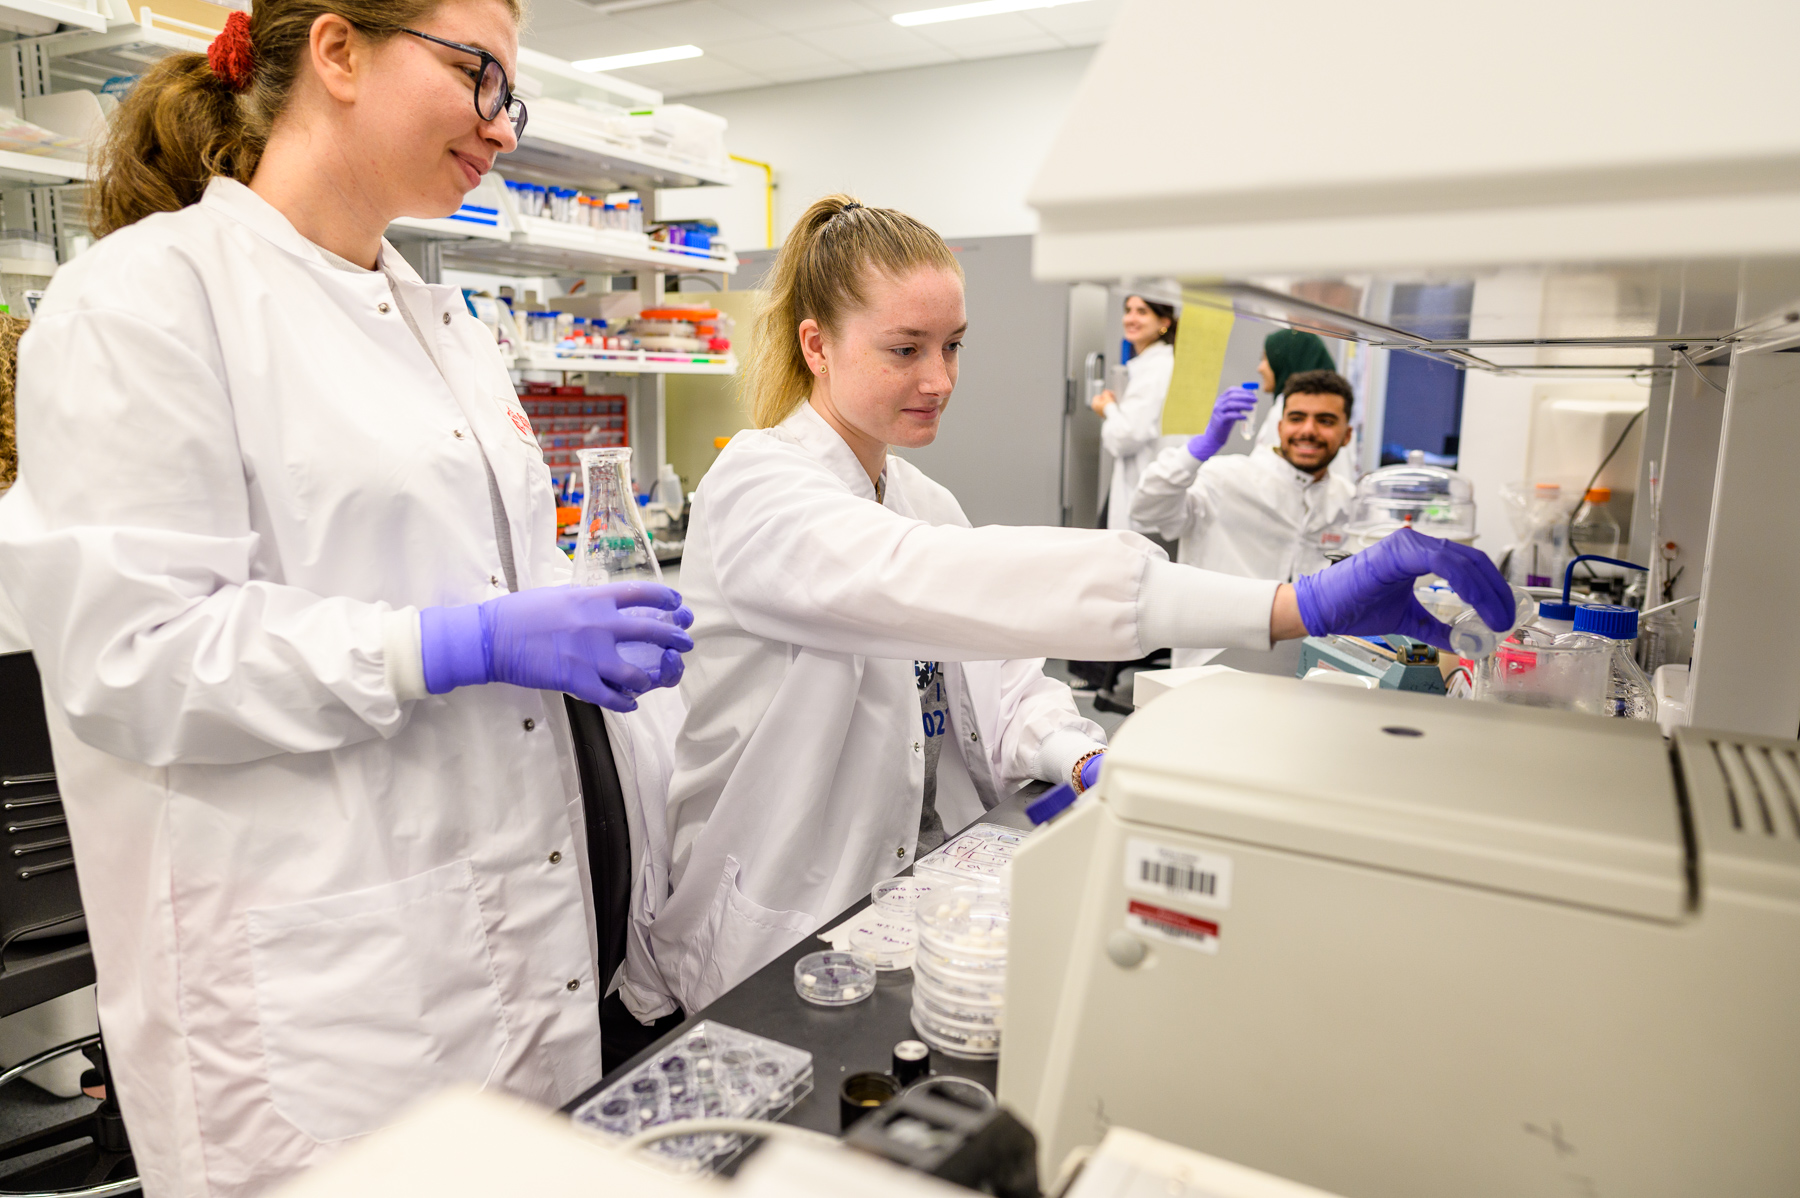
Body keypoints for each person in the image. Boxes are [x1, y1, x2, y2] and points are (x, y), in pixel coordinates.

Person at [0, 1, 695, 1192]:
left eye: (508, 94)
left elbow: (492, 575)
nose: (503, 127)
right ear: (336, 52)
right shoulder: (144, 299)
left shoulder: (445, 322)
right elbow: (135, 656)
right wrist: (456, 642)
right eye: (481, 74)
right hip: (318, 1005)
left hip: (513, 958)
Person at [639, 195, 1515, 1015]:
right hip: (771, 928)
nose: (940, 378)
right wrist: (1293, 605)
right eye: (906, 349)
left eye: (953, 346)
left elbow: (1006, 683)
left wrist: (1081, 755)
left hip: (895, 906)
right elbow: (923, 580)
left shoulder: (920, 499)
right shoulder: (757, 486)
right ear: (817, 346)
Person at [1131, 369, 1358, 667]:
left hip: (1302, 670)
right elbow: (1147, 509)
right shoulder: (1226, 479)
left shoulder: (1349, 499)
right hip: (1212, 667)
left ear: (1347, 435)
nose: (1308, 430)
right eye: (1297, 418)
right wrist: (1199, 450)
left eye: (1325, 421)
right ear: (1280, 426)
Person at [1090, 292, 1178, 530]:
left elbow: (1124, 436)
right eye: (1128, 310)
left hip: (1144, 489)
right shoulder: (1155, 363)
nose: (1130, 318)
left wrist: (1107, 408)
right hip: (1148, 487)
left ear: (1164, 322)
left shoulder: (1156, 368)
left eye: (1142, 312)